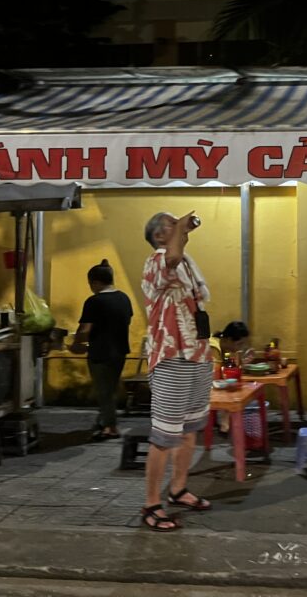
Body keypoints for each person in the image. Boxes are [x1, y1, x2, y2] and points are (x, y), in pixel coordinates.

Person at [139, 211, 214, 532]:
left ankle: (178, 488)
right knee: (164, 436)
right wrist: (181, 229)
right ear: (159, 236)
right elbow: (171, 256)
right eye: (171, 226)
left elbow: (179, 253)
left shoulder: (186, 264)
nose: (180, 230)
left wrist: (182, 230)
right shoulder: (156, 261)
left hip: (197, 354)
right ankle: (151, 504)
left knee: (189, 429)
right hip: (171, 356)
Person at [71, 259, 133, 441]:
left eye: (91, 283)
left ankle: (111, 427)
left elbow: (85, 330)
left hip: (100, 353)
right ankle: (103, 420)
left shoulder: (94, 301)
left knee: (103, 391)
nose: (91, 287)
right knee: (110, 389)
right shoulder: (124, 298)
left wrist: (76, 344)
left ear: (96, 282)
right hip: (120, 351)